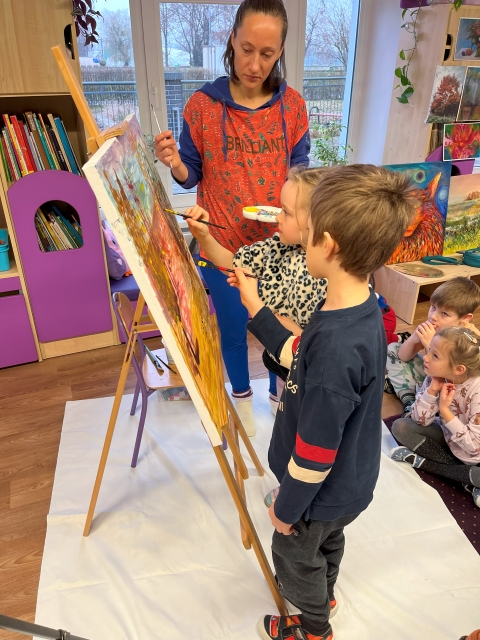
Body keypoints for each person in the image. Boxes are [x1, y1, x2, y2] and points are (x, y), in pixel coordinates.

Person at [226, 164, 416, 640]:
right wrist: (256, 308)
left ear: (326, 244)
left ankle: (314, 627)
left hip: (320, 491)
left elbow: (314, 454)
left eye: (305, 231)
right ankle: (325, 592)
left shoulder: (336, 345)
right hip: (348, 485)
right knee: (328, 541)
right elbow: (301, 357)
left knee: (294, 554)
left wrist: (286, 510)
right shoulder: (359, 307)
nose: (296, 238)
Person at [154, 0, 310, 434]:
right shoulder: (203, 106)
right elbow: (191, 172)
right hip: (219, 243)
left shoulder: (292, 107)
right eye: (246, 50)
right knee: (233, 331)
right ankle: (241, 401)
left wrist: (299, 208)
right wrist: (174, 162)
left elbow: (300, 169)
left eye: (267, 53)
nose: (255, 64)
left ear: (280, 52)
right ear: (232, 41)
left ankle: (281, 399)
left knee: (281, 329)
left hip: (279, 248)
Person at [185, 165, 329, 424]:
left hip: (316, 385)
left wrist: (270, 315)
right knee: (287, 427)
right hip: (285, 373)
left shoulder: (330, 272)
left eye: (286, 212)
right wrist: (204, 236)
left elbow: (321, 347)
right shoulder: (279, 247)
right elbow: (233, 261)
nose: (277, 218)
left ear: (314, 222)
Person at [390, 326, 480, 509]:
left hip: (475, 455)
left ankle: (425, 463)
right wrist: (431, 392)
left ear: (459, 369)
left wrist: (445, 410)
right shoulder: (436, 376)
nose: (426, 357)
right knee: (401, 427)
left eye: (435, 356)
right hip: (451, 440)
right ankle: (466, 478)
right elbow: (418, 420)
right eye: (430, 350)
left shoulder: (477, 390)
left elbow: (474, 447)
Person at [386, 277, 480, 416]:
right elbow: (402, 357)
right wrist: (414, 338)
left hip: (453, 391)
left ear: (465, 318)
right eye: (433, 307)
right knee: (393, 350)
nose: (433, 316)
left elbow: (457, 376)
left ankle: (409, 393)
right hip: (432, 378)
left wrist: (430, 344)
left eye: (444, 313)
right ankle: (409, 400)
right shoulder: (435, 326)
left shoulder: (470, 339)